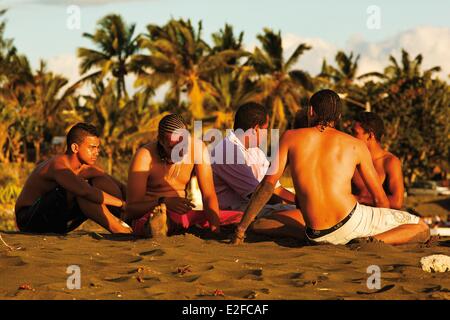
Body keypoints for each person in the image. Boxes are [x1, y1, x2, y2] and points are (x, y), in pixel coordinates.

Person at [232, 89, 430, 245]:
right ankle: (373, 240)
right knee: (421, 227)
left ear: (310, 111)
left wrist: (241, 230)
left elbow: (267, 186)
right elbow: (380, 199)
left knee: (259, 224)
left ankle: (338, 236)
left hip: (315, 233)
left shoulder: (289, 138)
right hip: (351, 223)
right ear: (340, 116)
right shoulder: (356, 145)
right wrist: (382, 221)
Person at [125, 114, 243, 238]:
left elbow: (208, 194)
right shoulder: (144, 156)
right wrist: (163, 202)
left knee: (238, 217)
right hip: (150, 213)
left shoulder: (197, 147)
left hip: (185, 215)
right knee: (152, 222)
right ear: (160, 141)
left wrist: (215, 229)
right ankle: (160, 226)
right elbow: (131, 210)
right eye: (172, 147)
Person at [211, 102, 306, 240]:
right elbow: (259, 196)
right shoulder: (227, 151)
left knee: (304, 211)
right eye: (266, 129)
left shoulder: (254, 151)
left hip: (255, 207)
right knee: (304, 216)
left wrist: (300, 201)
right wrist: (300, 205)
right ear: (256, 129)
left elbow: (275, 188)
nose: (267, 134)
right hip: (238, 213)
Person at [15, 123, 132, 234]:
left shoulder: (85, 168)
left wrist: (136, 206)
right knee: (81, 192)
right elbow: (86, 192)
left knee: (100, 179)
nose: (96, 152)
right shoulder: (59, 166)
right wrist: (122, 204)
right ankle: (120, 230)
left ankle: (131, 220)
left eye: (97, 148)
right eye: (92, 148)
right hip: (28, 220)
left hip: (55, 218)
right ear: (75, 148)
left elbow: (119, 185)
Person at [351, 112, 405, 209]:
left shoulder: (390, 162)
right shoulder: (350, 161)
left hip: (381, 219)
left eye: (355, 133)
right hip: (356, 220)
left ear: (370, 136)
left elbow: (397, 202)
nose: (351, 137)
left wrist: (360, 199)